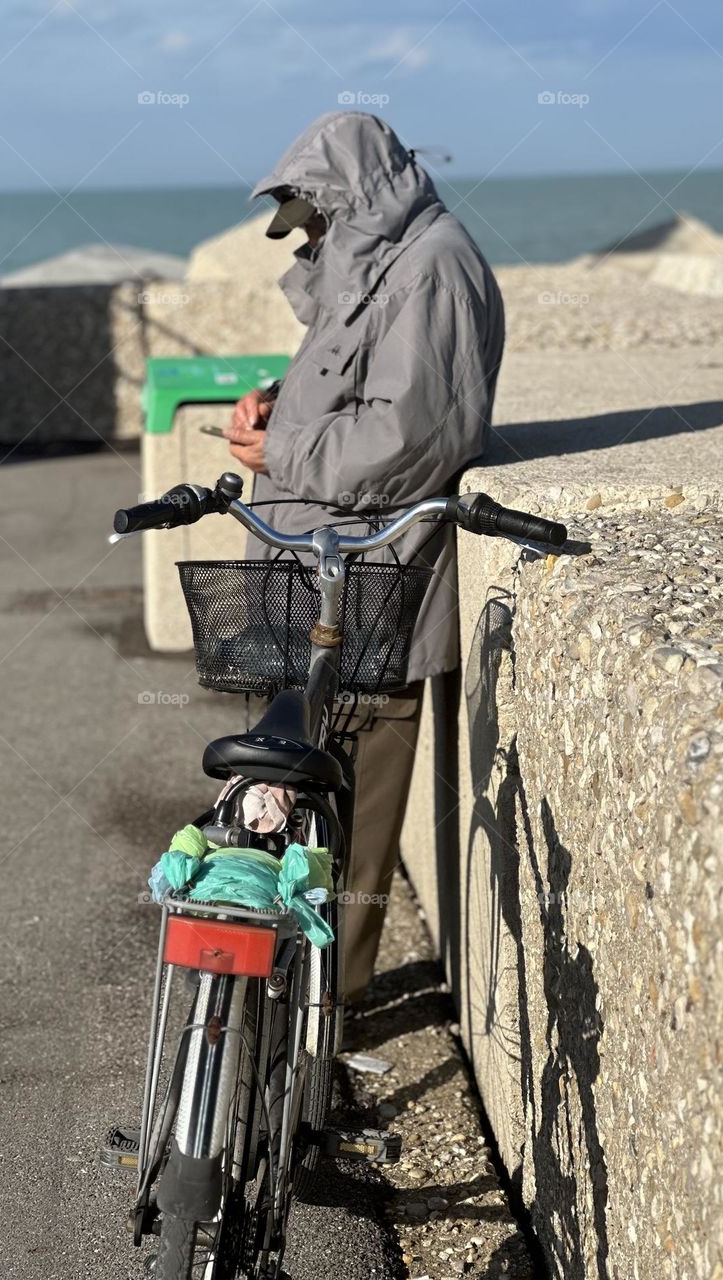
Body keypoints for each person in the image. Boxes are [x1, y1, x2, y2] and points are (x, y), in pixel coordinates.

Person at [225, 110, 505, 1003]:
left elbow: (414, 435)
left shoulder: (434, 265)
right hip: (314, 577)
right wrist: (268, 404)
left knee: (356, 812)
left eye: (311, 220)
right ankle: (273, 1002)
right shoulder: (377, 262)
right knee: (279, 801)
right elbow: (349, 383)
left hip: (373, 593)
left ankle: (329, 1017)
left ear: (348, 198)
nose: (305, 239)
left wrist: (282, 455)